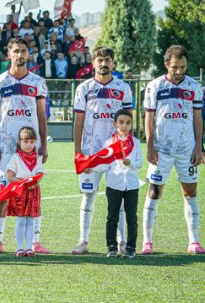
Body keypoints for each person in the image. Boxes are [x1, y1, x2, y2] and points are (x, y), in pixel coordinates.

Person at [0, 37, 49, 255]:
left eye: (24, 51)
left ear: (29, 54)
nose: (20, 55)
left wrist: (44, 144)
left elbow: (42, 116)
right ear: (9, 54)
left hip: (32, 147)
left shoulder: (37, 82)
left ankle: (35, 242)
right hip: (5, 146)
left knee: (32, 193)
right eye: (16, 51)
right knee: (3, 193)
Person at [142, 45, 204, 255]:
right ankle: (147, 242)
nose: (179, 72)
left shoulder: (194, 87)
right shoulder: (154, 86)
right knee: (154, 193)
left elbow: (198, 118)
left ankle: (194, 241)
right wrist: (150, 145)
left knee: (190, 193)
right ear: (166, 64)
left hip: (187, 149)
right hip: (161, 150)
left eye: (183, 67)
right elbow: (149, 118)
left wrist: (199, 147)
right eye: (175, 67)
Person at [71, 47, 133, 255]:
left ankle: (122, 242)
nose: (104, 63)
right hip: (91, 152)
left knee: (120, 198)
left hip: (117, 153)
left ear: (113, 63)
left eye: (107, 60)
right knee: (88, 196)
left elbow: (128, 121)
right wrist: (79, 152)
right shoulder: (84, 88)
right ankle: (83, 241)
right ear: (93, 63)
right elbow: (78, 121)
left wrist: (127, 149)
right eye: (100, 60)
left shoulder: (123, 88)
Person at [86, 110, 141, 258]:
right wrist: (91, 168)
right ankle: (111, 246)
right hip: (113, 184)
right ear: (115, 124)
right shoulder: (109, 143)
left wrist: (130, 164)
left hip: (131, 185)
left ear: (131, 125)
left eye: (128, 123)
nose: (124, 126)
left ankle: (131, 247)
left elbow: (140, 163)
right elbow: (105, 164)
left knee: (132, 218)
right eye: (121, 122)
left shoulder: (135, 143)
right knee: (112, 217)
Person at [5, 127, 45, 257]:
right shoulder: (16, 157)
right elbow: (10, 176)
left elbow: (40, 173)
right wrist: (23, 183)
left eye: (32, 142)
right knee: (21, 220)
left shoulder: (37, 158)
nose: (29, 145)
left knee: (31, 221)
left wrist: (34, 181)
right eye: (26, 141)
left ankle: (29, 248)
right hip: (20, 192)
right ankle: (19, 248)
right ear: (19, 142)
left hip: (33, 192)